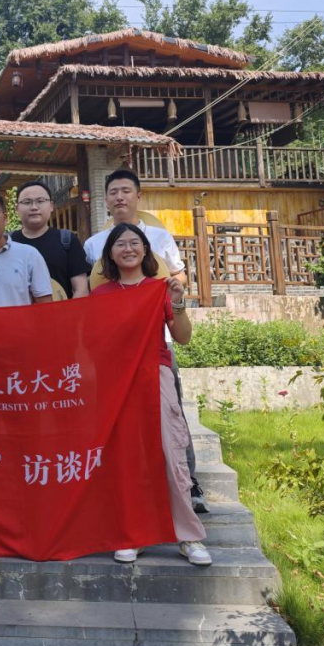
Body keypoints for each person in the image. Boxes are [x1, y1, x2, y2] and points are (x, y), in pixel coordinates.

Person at [84, 169, 208, 514]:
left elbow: (178, 279)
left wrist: (174, 299)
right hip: (116, 360)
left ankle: (187, 485)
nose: (119, 197)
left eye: (126, 190)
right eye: (113, 192)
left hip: (158, 350)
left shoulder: (159, 240)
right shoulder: (93, 246)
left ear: (138, 195)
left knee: (171, 417)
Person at [92, 224, 212, 567]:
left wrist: (178, 303)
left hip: (155, 374)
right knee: (127, 456)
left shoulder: (159, 289)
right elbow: (92, 341)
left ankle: (188, 536)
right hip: (117, 381)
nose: (128, 249)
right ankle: (133, 535)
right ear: (110, 253)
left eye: (135, 243)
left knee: (171, 452)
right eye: (120, 244)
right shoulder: (101, 295)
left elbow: (183, 338)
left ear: (146, 250)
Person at [10, 180, 90, 300]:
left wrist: (69, 312)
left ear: (51, 206)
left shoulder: (67, 240)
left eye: (40, 201)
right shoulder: (8, 244)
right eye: (27, 202)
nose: (34, 207)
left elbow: (81, 289)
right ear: (17, 208)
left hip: (61, 311)